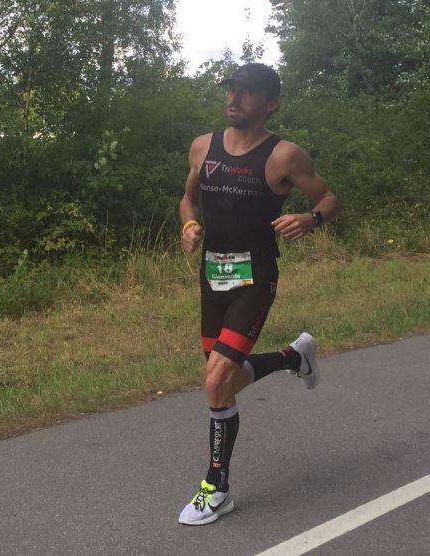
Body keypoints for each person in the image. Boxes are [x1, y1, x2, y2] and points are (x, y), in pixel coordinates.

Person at [177, 63, 341, 526]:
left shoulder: (284, 156)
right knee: (222, 380)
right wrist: (189, 224)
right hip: (213, 276)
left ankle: (217, 487)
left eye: (246, 93)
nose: (234, 98)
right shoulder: (202, 147)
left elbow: (329, 200)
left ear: (270, 103)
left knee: (215, 383)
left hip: (256, 277)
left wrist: (311, 220)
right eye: (230, 89)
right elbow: (186, 198)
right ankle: (295, 357)